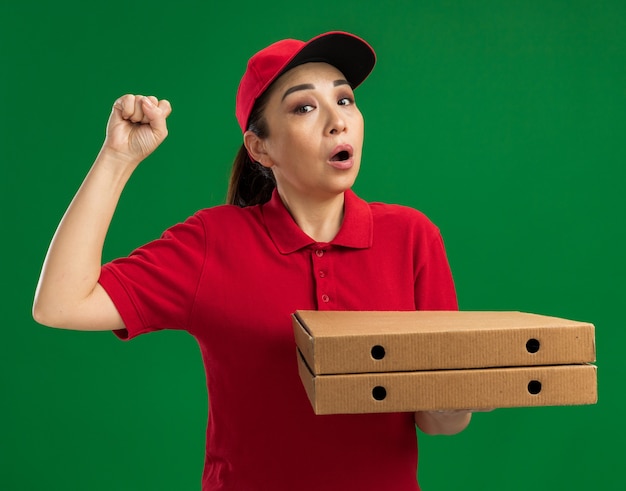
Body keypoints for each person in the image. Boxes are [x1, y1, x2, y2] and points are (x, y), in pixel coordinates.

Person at [33, 31, 474, 490]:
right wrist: (117, 157)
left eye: (345, 100)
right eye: (305, 107)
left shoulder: (412, 237)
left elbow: (438, 422)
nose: (337, 122)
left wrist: (457, 400)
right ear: (260, 148)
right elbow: (60, 303)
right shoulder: (213, 242)